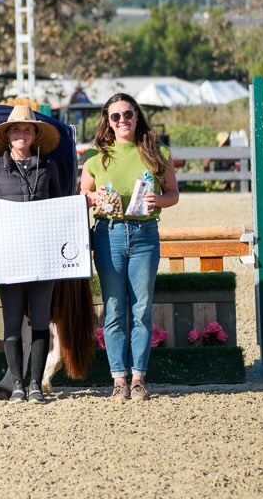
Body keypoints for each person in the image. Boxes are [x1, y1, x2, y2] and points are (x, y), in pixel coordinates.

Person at [79, 93, 179, 402]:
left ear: (137, 116)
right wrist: (93, 197)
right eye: (116, 116)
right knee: (113, 308)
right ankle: (118, 379)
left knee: (141, 308)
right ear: (108, 122)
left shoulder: (158, 153)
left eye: (127, 114)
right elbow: (82, 193)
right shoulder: (96, 157)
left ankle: (138, 378)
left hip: (145, 234)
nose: (122, 120)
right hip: (108, 234)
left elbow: (173, 194)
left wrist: (158, 199)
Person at [0, 105, 61, 404]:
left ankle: (36, 384)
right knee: (11, 322)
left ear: (35, 135)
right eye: (16, 129)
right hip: (8, 258)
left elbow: (60, 207)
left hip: (43, 255)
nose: (22, 134)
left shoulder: (48, 167)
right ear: (8, 136)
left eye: (27, 129)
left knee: (40, 320)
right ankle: (17, 384)